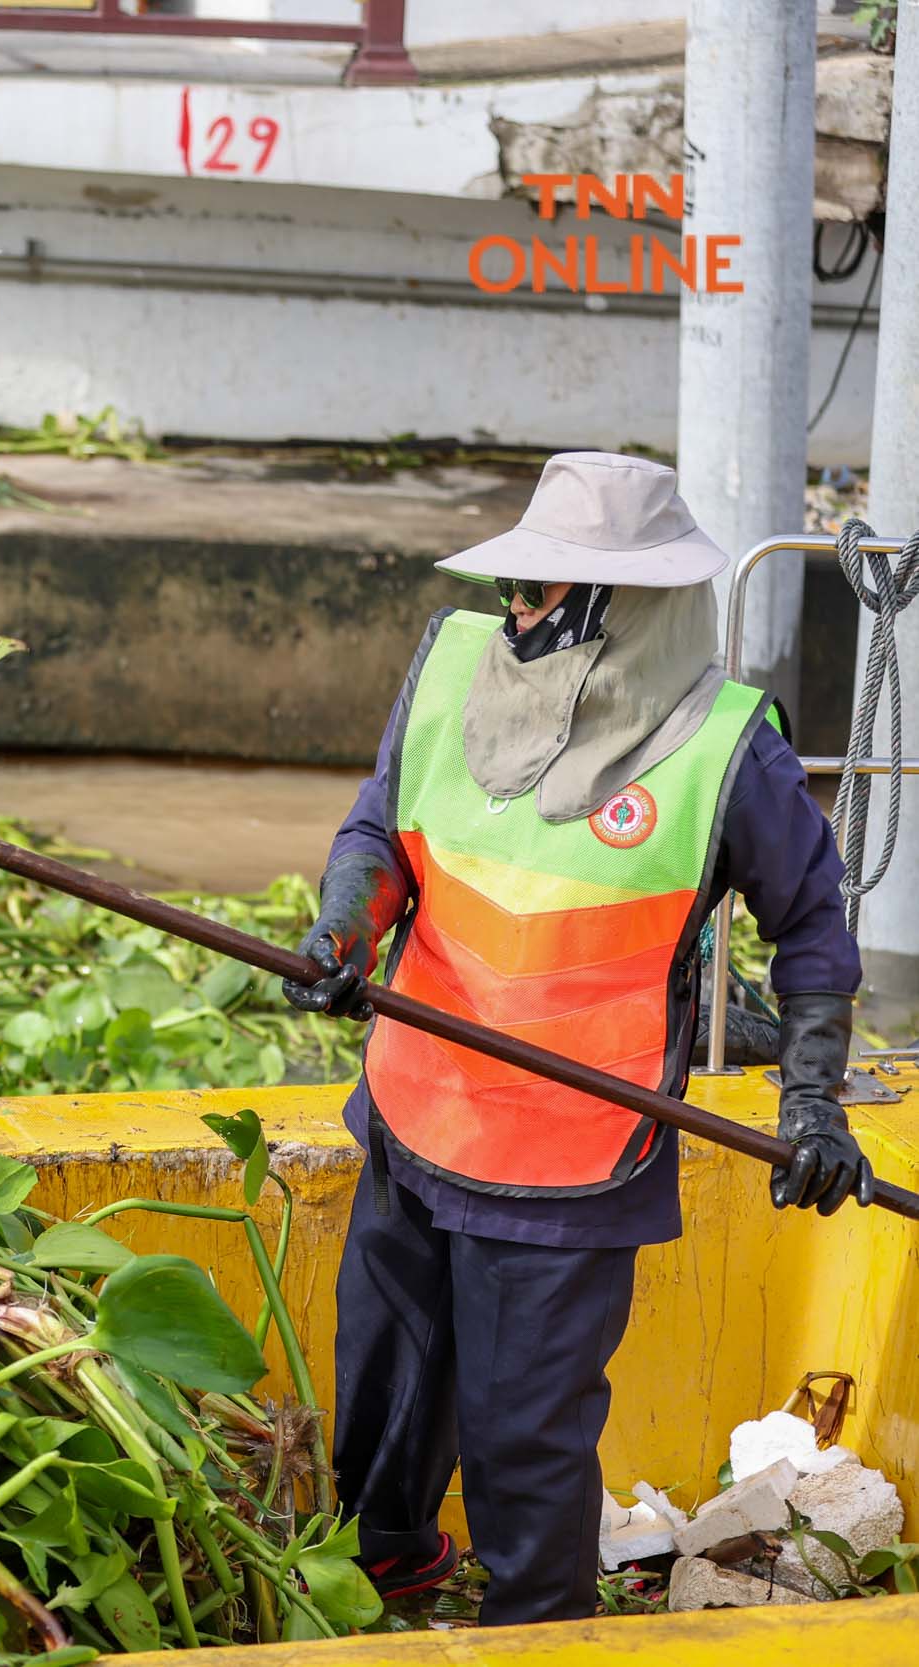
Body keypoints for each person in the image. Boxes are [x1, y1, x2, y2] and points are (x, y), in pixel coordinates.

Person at [280, 452, 871, 1626]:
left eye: (543, 593)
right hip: (415, 1108)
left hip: (567, 1162)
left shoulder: (722, 747)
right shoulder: (452, 671)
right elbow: (378, 828)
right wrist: (348, 926)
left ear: (626, 604)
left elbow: (809, 925)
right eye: (514, 585)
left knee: (523, 1441)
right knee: (382, 1402)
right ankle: (385, 1581)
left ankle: (537, 1630)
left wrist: (811, 1102)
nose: (514, 610)